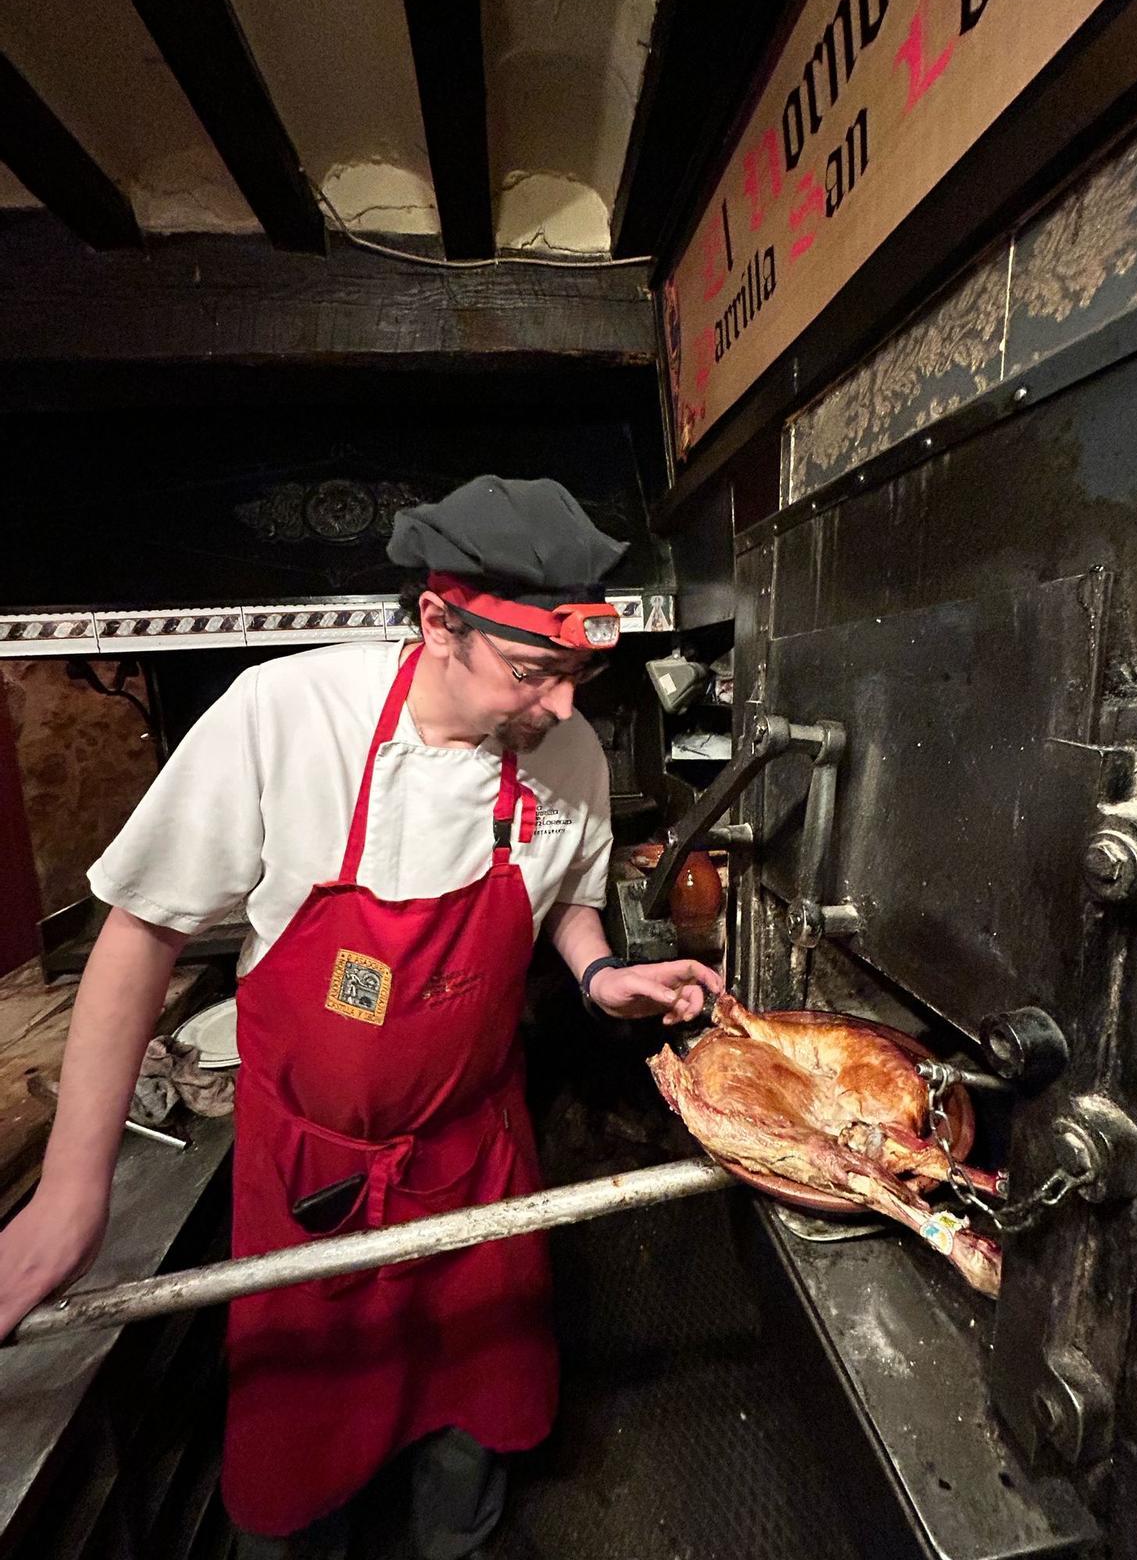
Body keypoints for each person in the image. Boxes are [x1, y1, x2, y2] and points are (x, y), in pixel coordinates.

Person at [0, 475, 720, 1558]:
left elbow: (567, 895)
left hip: (477, 1168)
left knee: (471, 1439)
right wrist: (69, 1195)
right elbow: (139, 936)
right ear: (438, 620)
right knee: (299, 1477)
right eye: (536, 671)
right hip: (313, 1187)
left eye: (579, 674)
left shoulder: (560, 746)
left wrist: (599, 972)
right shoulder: (284, 719)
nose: (565, 708)